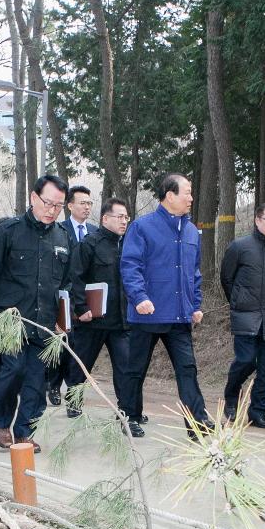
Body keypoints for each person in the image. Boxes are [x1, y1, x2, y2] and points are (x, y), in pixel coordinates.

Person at [0, 175, 73, 451]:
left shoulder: (63, 237)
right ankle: (1, 423)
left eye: (58, 206)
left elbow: (67, 284)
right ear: (33, 198)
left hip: (44, 322)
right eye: (48, 203)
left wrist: (64, 321)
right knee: (13, 370)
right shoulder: (10, 231)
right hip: (10, 321)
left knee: (36, 381)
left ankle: (25, 431)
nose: (52, 210)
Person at [120, 172, 210, 436]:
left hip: (179, 317)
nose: (191, 198)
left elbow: (194, 273)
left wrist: (195, 304)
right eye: (187, 193)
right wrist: (140, 297)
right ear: (169, 196)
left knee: (187, 369)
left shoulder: (192, 230)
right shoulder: (142, 227)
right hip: (147, 314)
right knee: (135, 370)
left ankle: (197, 423)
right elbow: (130, 266)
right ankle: (130, 417)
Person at [220, 203, 265, 429]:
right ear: (257, 220)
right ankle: (232, 396)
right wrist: (239, 301)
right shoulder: (239, 247)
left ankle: (258, 411)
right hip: (246, 316)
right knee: (246, 359)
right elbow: (227, 279)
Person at [66, 197, 134, 421]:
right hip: (93, 320)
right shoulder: (89, 243)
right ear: (105, 219)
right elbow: (76, 277)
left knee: (126, 367)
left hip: (121, 321)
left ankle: (126, 412)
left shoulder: (128, 245)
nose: (124, 221)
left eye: (126, 217)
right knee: (82, 364)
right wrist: (81, 307)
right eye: (120, 217)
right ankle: (74, 400)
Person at [46, 185, 97, 406]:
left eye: (89, 203)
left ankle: (73, 389)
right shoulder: (59, 230)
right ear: (70, 205)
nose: (86, 207)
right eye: (82, 203)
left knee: (80, 345)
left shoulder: (95, 232)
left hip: (87, 299)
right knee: (61, 342)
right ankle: (54, 385)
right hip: (64, 296)